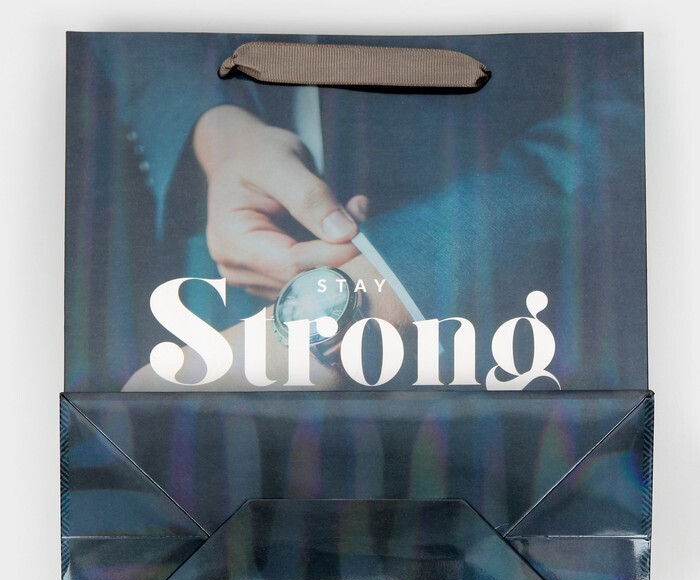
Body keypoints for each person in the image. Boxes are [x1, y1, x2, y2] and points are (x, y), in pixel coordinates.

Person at [66, 32, 647, 393]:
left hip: (516, 313)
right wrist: (213, 130)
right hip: (236, 274)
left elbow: (644, 86)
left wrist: (390, 276)